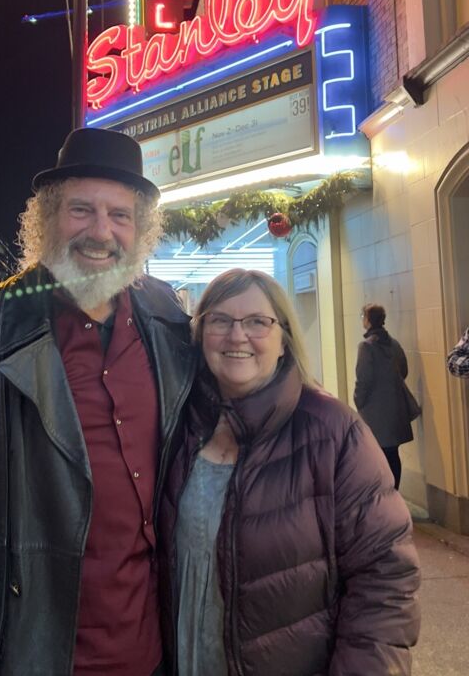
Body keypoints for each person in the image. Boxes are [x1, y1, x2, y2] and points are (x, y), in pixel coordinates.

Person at [0, 127, 197, 676]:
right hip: (21, 658)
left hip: (152, 657)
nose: (101, 232)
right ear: (48, 218)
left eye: (120, 215)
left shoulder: (166, 321)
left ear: (141, 230)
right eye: (81, 210)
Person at [159, 269, 420, 676]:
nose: (237, 335)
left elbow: (386, 579)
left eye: (257, 322)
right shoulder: (177, 427)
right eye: (220, 320)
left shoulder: (333, 432)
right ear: (200, 334)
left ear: (283, 340)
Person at [354, 303, 414, 488]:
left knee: (377, 454)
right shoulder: (394, 343)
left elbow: (363, 378)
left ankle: (384, 494)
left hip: (375, 411)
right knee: (392, 453)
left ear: (368, 320)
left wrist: (358, 401)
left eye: (363, 317)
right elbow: (404, 370)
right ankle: (394, 491)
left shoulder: (366, 347)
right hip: (395, 408)